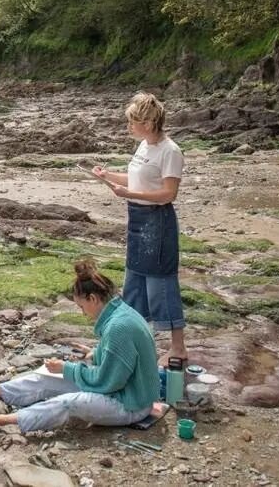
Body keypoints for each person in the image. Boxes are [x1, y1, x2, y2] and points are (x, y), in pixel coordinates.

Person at [0, 260, 159, 432]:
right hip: (123, 391)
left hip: (131, 405)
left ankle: (5, 420)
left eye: (81, 307)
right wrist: (94, 353)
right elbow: (121, 358)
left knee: (68, 402)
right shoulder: (121, 314)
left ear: (93, 298)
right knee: (45, 379)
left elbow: (106, 382)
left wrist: (68, 368)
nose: (83, 313)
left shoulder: (118, 326)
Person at [92, 92, 187, 365]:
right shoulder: (144, 146)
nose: (129, 127)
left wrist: (129, 193)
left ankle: (178, 347)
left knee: (161, 283)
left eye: (132, 122)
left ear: (147, 122)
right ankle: (133, 340)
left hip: (158, 220)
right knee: (133, 280)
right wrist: (107, 176)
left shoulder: (170, 151)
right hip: (137, 218)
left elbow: (169, 194)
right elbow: (135, 179)